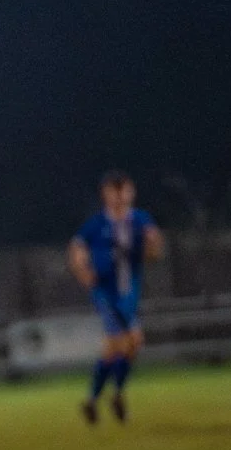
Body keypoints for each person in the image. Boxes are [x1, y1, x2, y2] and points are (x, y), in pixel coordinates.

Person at [68, 171, 164, 424]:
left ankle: (94, 399)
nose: (120, 196)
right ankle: (116, 396)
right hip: (105, 292)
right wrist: (82, 270)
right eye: (115, 191)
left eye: (124, 190)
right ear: (106, 194)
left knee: (125, 346)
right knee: (124, 341)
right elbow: (77, 247)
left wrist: (153, 244)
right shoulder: (97, 224)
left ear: (131, 192)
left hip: (129, 293)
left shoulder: (140, 220)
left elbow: (153, 254)